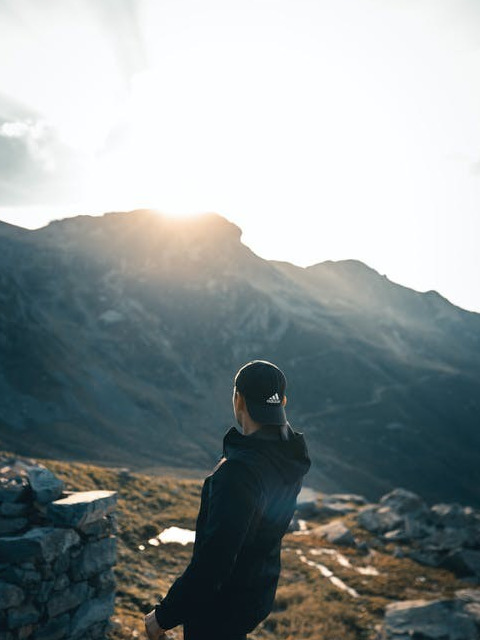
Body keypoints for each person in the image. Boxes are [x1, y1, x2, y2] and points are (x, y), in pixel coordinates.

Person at [144, 359, 311, 640]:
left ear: (238, 400)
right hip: (254, 595)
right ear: (282, 401)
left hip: (218, 610)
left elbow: (215, 562)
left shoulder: (239, 472)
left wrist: (163, 616)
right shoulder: (289, 454)